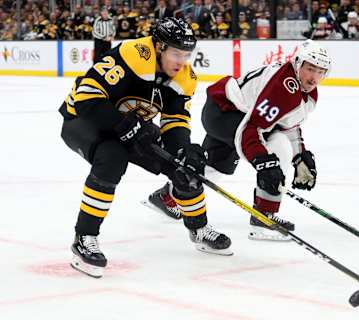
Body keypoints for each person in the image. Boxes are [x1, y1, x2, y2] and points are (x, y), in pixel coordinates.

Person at [59, 17, 231, 278]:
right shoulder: (132, 54)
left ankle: (199, 228)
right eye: (176, 53)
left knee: (183, 165)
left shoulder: (185, 78)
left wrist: (183, 148)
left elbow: (175, 121)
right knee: (112, 157)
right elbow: (85, 98)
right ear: (159, 46)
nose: (181, 61)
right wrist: (122, 124)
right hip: (85, 119)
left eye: (186, 54)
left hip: (130, 123)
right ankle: (84, 237)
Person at [146, 39, 331, 241]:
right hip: (225, 113)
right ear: (297, 64)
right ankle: (263, 218)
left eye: (320, 71)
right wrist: (263, 161)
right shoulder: (284, 87)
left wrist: (300, 156)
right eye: (310, 69)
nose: (314, 77)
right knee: (278, 147)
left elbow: (288, 125)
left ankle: (168, 196)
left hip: (228, 110)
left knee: (218, 166)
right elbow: (251, 129)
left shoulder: (308, 93)